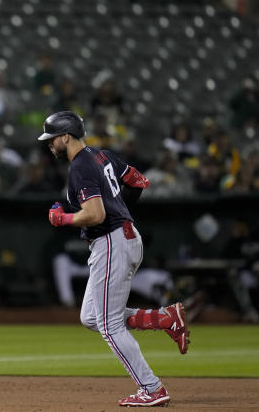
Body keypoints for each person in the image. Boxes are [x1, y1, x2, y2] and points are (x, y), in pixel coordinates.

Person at [39, 111, 189, 407]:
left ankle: (152, 388)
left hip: (112, 241)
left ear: (66, 136)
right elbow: (138, 181)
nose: (49, 144)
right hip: (124, 235)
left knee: (109, 325)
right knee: (91, 317)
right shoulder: (100, 155)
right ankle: (164, 318)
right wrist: (121, 207)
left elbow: (95, 215)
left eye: (52, 139)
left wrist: (63, 218)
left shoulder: (80, 165)